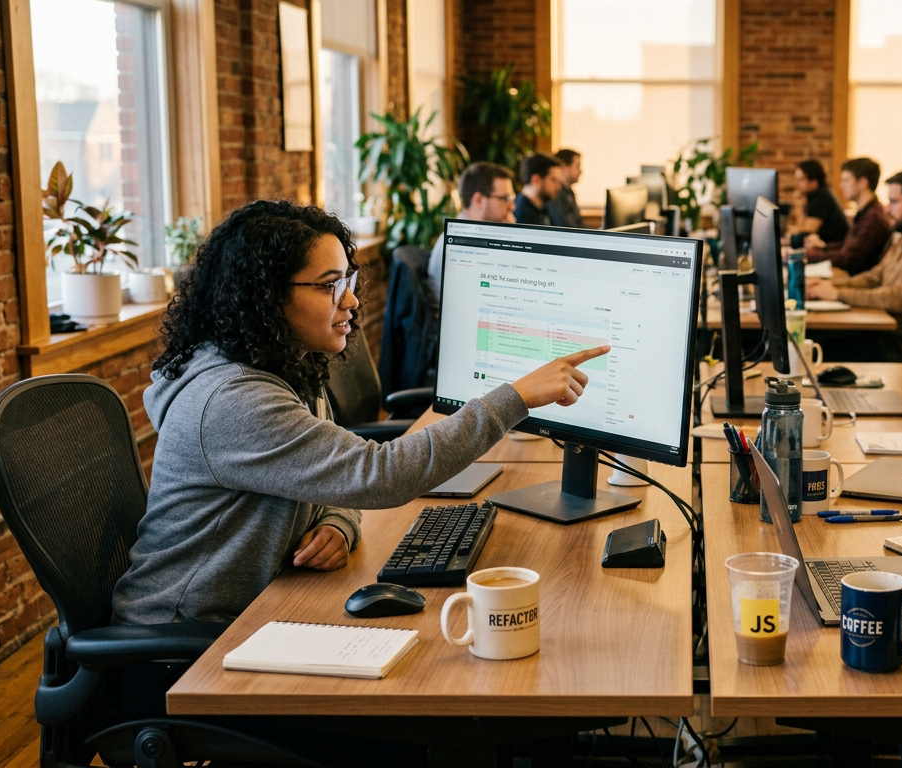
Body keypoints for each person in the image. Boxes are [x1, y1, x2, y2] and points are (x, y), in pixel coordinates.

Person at [115, 200, 605, 627]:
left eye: (346, 280)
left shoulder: (285, 369)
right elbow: (376, 475)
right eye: (329, 285)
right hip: (187, 648)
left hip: (264, 604)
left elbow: (336, 475)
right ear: (266, 297)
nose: (350, 300)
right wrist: (514, 398)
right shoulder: (233, 402)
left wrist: (337, 523)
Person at [805, 168, 902, 364]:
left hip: (900, 345)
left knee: (814, 344)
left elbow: (900, 299)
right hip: (883, 332)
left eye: (894, 202)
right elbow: (874, 277)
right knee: (812, 337)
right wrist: (828, 287)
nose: (887, 209)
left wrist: (838, 294)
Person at [427, 161, 517, 296]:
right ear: (479, 200)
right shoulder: (464, 243)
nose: (512, 207)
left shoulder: (473, 234)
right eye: (505, 199)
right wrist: (511, 235)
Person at [803, 156, 891, 276]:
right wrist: (823, 247)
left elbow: (848, 258)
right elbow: (847, 246)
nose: (841, 185)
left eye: (846, 180)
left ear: (863, 183)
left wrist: (809, 255)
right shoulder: (866, 212)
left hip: (855, 280)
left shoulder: (873, 218)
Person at [789, 159, 848, 248]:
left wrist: (799, 206)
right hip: (826, 247)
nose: (797, 184)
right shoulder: (813, 196)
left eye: (801, 179)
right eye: (796, 179)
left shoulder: (822, 197)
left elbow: (806, 232)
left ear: (814, 181)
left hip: (834, 249)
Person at [514, 152, 565, 226]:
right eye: (554, 180)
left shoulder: (541, 206)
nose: (558, 186)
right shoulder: (522, 214)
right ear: (536, 179)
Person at [546, 148, 584, 228]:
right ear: (564, 166)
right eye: (577, 166)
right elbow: (564, 227)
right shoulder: (555, 194)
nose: (581, 171)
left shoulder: (570, 193)